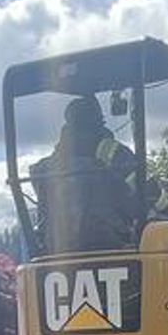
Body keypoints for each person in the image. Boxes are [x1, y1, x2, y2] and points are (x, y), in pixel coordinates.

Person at [29, 94, 139, 256]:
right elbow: (140, 195)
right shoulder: (115, 153)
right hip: (114, 244)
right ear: (99, 120)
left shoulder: (47, 167)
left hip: (56, 251)